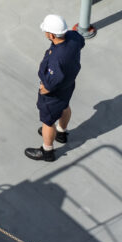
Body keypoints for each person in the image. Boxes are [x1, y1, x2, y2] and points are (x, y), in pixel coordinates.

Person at [25, 13, 85, 162]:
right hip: (68, 86)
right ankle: (61, 133)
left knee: (48, 122)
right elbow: (81, 41)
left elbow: (53, 80)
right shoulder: (73, 38)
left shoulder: (56, 57)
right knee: (65, 106)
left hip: (54, 93)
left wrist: (45, 88)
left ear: (51, 35)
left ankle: (47, 151)